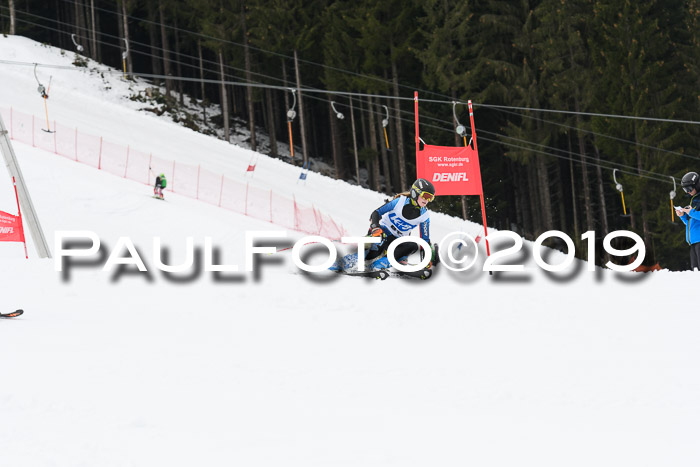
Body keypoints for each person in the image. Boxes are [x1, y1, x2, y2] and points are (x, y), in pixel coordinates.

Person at [363, 178, 437, 269]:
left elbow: (424, 240)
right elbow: (376, 213)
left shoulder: (424, 215)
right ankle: (352, 259)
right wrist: (375, 227)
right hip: (383, 233)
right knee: (375, 249)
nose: (427, 200)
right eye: (425, 195)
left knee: (413, 245)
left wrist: (426, 259)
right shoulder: (400, 201)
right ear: (415, 192)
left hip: (398, 241)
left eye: (430, 197)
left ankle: (382, 263)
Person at [676, 171, 700, 270]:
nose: (688, 191)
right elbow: (690, 223)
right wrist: (682, 216)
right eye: (685, 189)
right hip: (693, 243)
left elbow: (694, 215)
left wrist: (691, 213)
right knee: (695, 272)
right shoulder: (694, 200)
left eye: (689, 188)